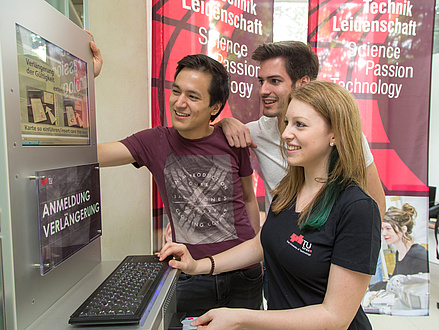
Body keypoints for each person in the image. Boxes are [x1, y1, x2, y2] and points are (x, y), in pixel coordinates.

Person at [159, 80, 381, 329]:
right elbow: (262, 244)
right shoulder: (290, 187)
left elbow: (335, 317)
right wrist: (199, 265)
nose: (286, 133)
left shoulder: (358, 209)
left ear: (335, 134)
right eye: (287, 122)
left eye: (300, 125)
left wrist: (240, 318)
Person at [97, 54, 262, 316]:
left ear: (215, 106)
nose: (179, 103)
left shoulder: (232, 139)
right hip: (189, 275)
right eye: (176, 91)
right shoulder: (153, 142)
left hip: (244, 276)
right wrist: (86, 77)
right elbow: (90, 155)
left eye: (193, 96)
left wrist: (255, 254)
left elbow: (248, 199)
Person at [217, 41, 386, 218]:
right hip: (277, 240)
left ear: (303, 83)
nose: (263, 90)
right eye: (261, 81)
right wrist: (226, 122)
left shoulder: (345, 137)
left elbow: (376, 204)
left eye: (275, 81)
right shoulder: (255, 132)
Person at [382, 203, 428, 276]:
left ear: (403, 229)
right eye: (382, 229)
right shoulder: (399, 253)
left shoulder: (419, 254)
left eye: (388, 228)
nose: (383, 233)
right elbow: (395, 280)